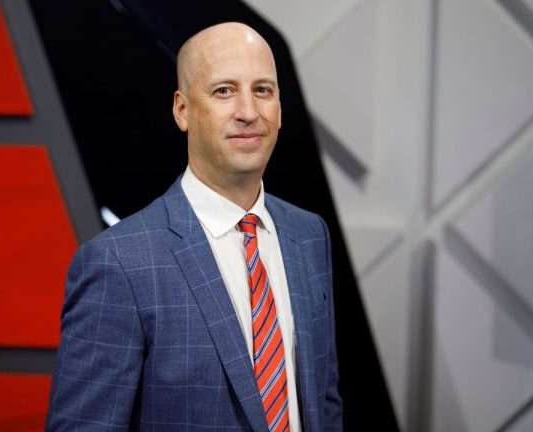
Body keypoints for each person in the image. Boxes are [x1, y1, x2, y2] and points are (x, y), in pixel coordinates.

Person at [46, 22, 342, 431]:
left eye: (262, 90)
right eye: (224, 91)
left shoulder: (308, 235)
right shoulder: (118, 262)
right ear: (182, 110)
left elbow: (324, 404)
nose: (248, 112)